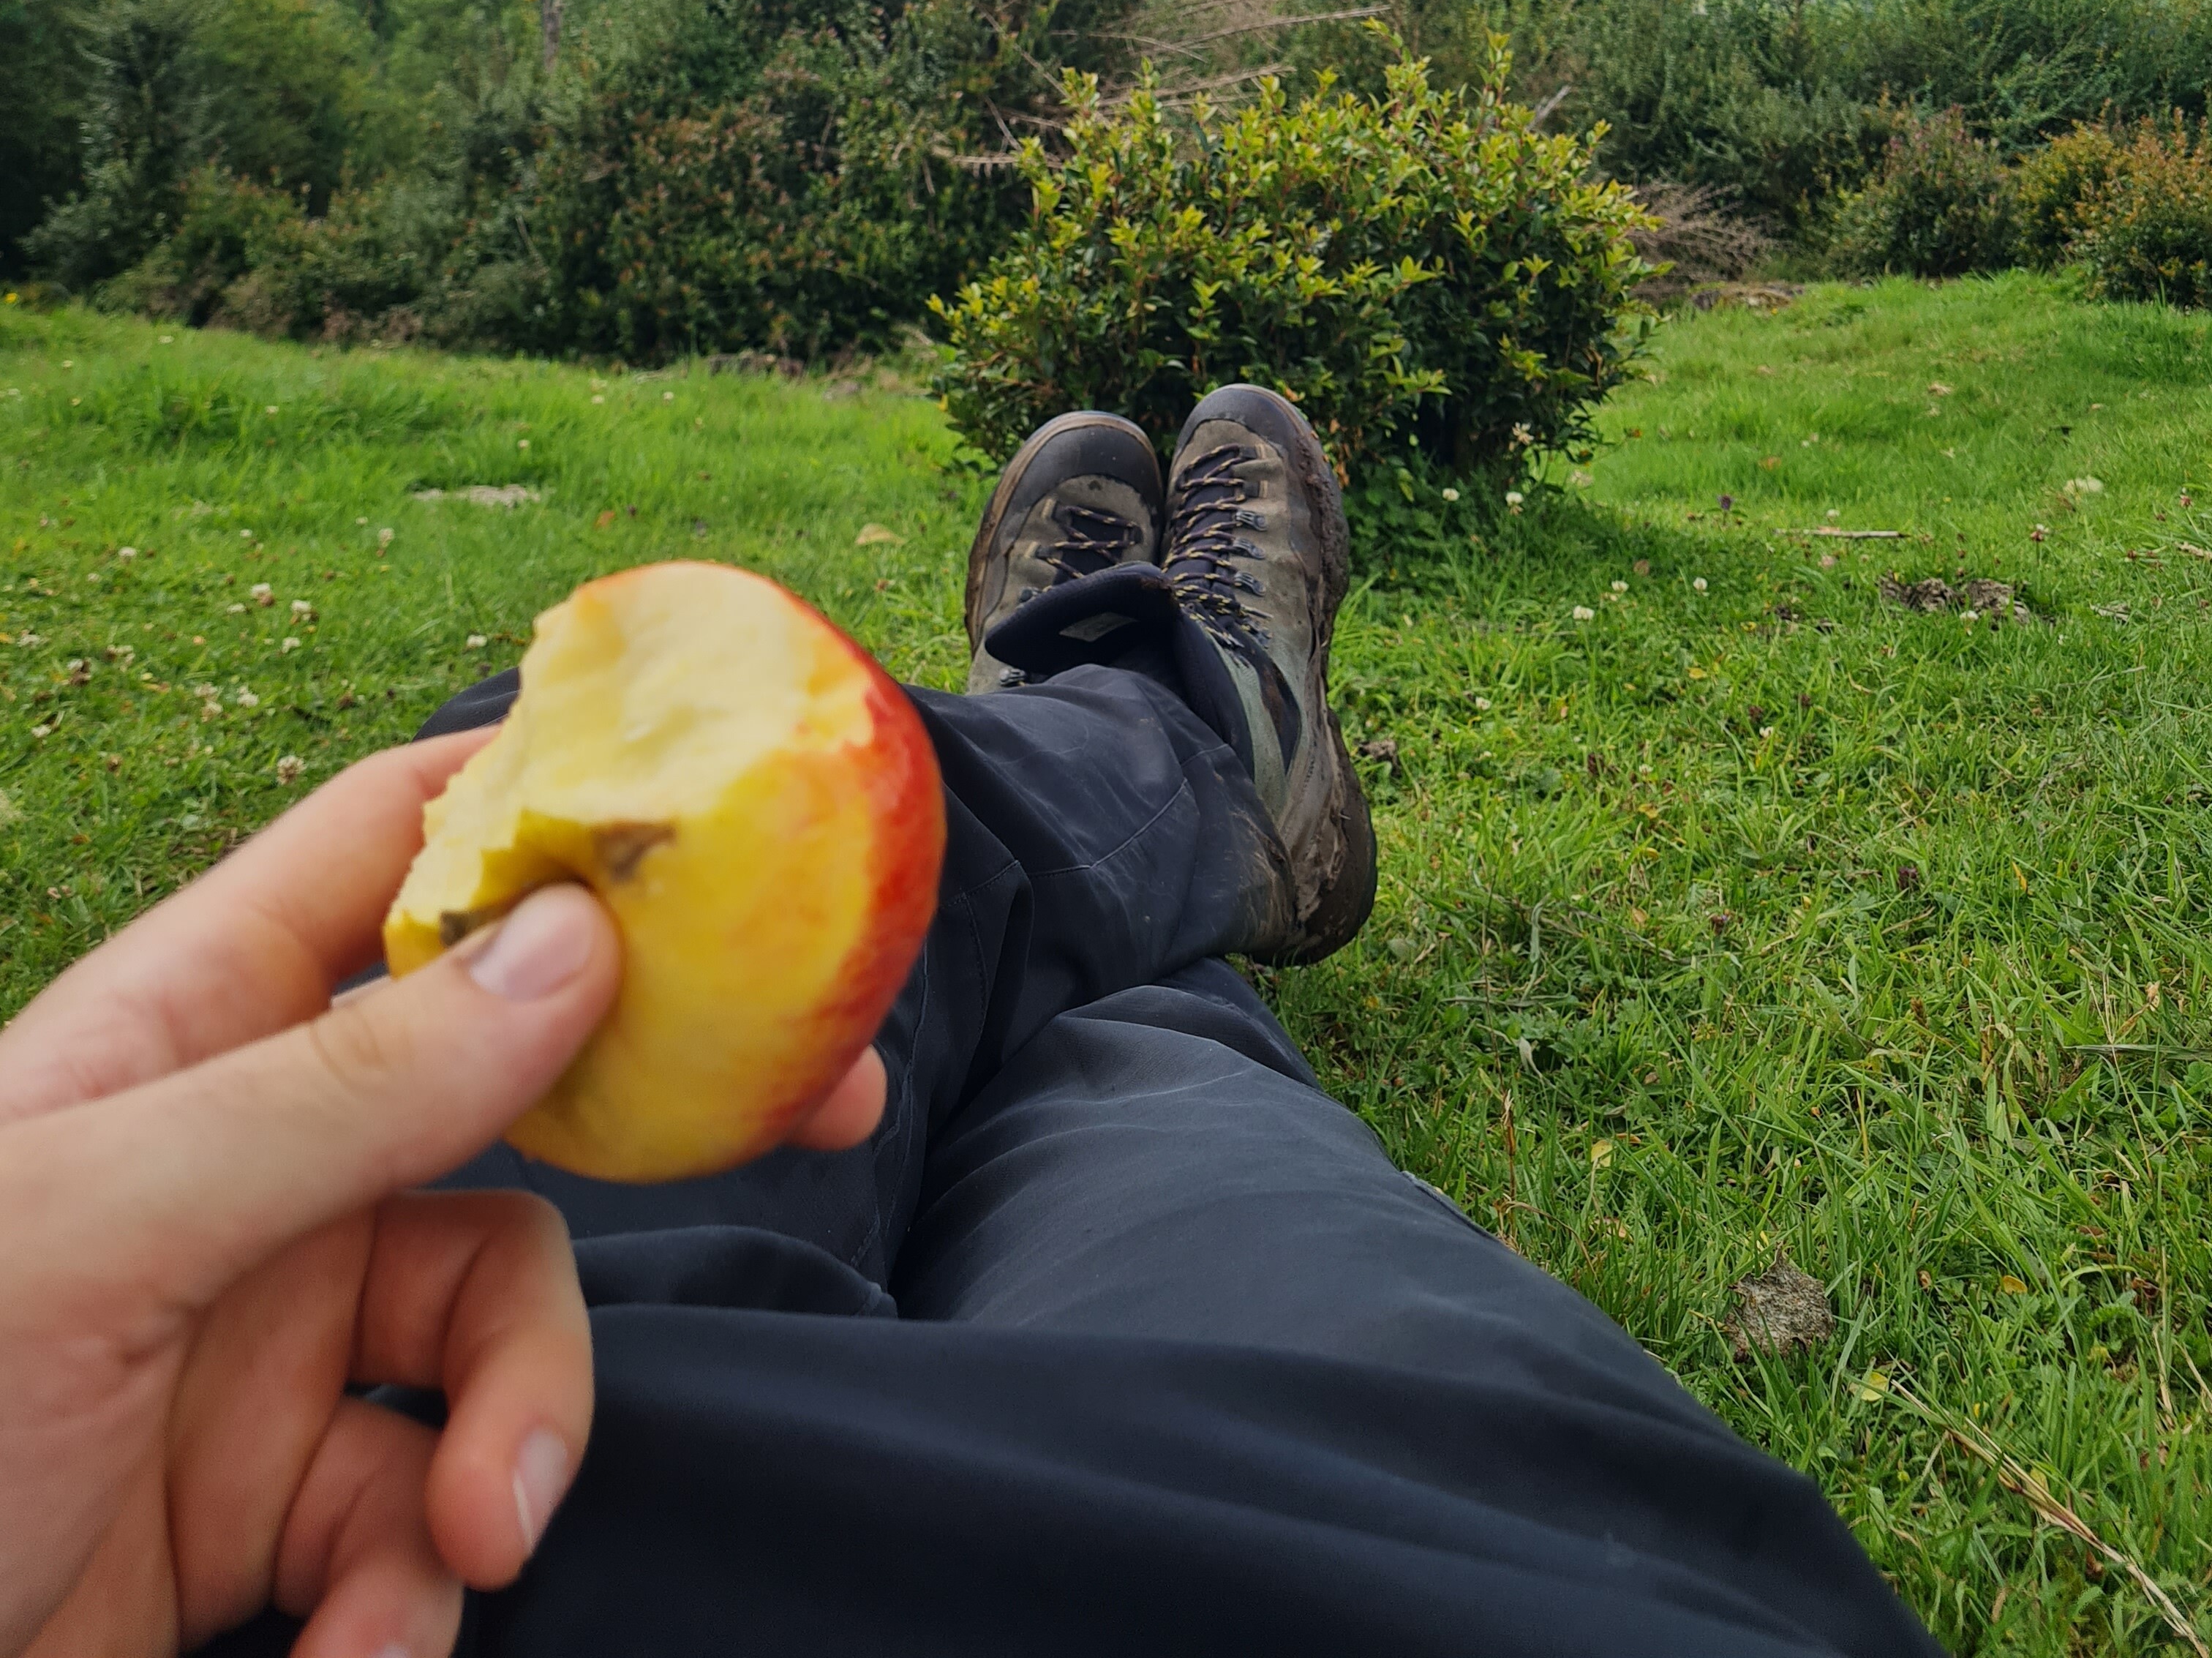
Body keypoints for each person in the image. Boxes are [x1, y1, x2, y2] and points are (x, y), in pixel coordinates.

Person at [0, 387, 1941, 1658]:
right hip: (1364, 1566)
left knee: (536, 813)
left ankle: (1144, 763)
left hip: (365, 1496)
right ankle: (1182, 727)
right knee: (1155, 1087)